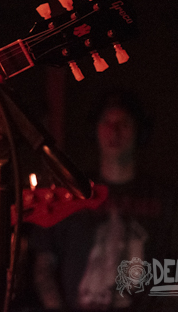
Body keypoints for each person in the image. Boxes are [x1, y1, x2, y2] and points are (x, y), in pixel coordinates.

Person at [30, 90, 169, 310]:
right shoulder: (69, 195)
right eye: (106, 122)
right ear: (94, 130)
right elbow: (44, 265)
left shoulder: (165, 198)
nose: (114, 131)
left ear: (139, 132)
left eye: (124, 123)